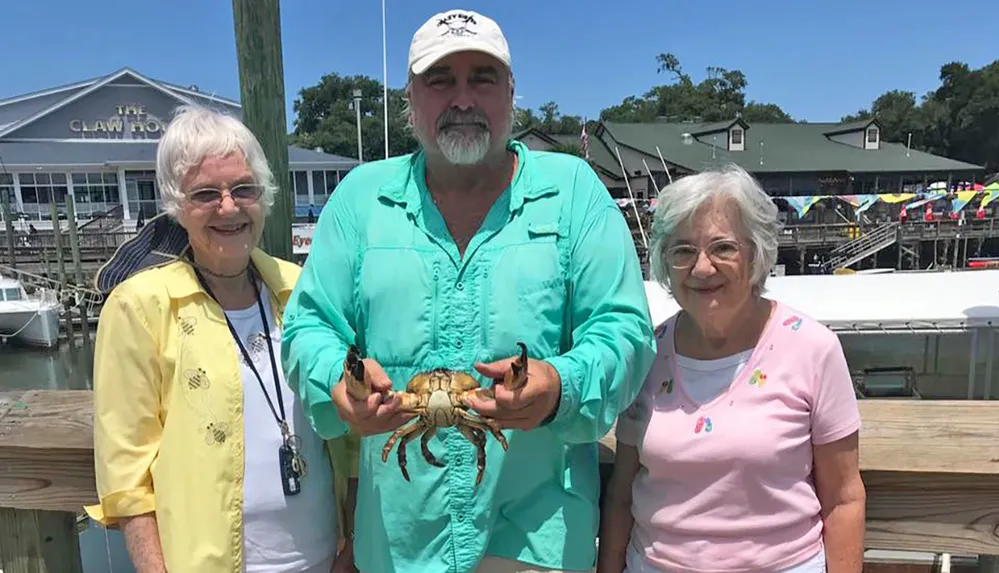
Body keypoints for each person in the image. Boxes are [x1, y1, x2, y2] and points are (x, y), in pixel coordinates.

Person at [281, 8, 656, 573]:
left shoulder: (574, 190)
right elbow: (309, 326)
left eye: (482, 77)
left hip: (538, 532)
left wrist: (560, 385)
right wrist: (340, 380)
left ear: (511, 91)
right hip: (399, 541)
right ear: (411, 97)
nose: (462, 98)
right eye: (440, 79)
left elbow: (625, 329)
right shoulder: (361, 198)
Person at [85, 104, 359, 573]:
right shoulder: (139, 307)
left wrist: (351, 547)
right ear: (176, 204)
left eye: (244, 189)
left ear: (264, 196)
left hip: (322, 558)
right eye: (206, 193)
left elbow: (350, 434)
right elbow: (125, 474)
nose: (229, 207)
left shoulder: (301, 290)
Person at [597, 164, 866, 573]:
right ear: (664, 263)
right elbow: (622, 492)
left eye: (722, 248)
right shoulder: (646, 353)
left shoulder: (813, 348)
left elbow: (844, 498)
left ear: (756, 253)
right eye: (683, 251)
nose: (702, 268)